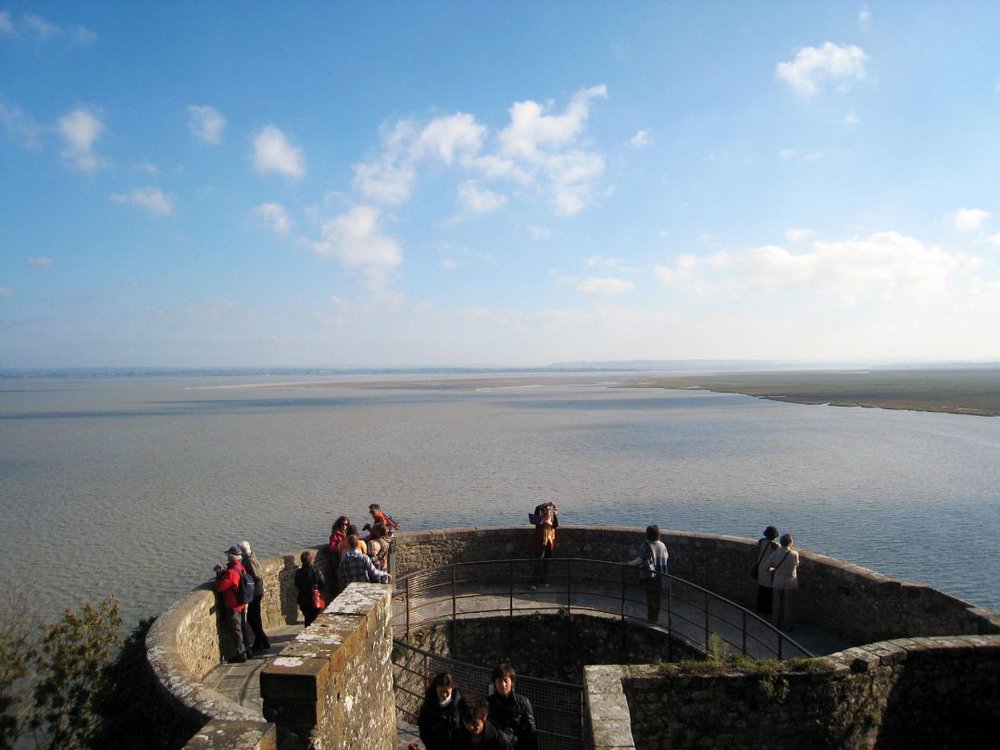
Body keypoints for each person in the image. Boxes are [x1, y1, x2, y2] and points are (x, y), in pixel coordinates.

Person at [214, 545, 256, 663]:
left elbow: (220, 587)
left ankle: (240, 654)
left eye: (228, 555)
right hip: (242, 603)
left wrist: (219, 575)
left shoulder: (231, 572)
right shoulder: (240, 567)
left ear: (231, 557)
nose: (227, 557)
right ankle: (248, 650)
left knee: (236, 630)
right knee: (243, 627)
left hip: (233, 605)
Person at [486, 662, 536, 750]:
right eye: (499, 681)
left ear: (512, 682)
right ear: (495, 683)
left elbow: (531, 732)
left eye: (506, 680)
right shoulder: (487, 703)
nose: (503, 684)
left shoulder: (523, 703)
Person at [628, 525, 669, 622]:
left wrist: (628, 564)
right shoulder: (662, 545)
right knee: (658, 596)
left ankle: (651, 617)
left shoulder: (646, 545)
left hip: (650, 575)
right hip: (661, 574)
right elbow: (666, 558)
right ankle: (656, 616)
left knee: (650, 596)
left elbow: (639, 560)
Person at [239, 540, 270, 654]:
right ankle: (262, 641)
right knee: (254, 617)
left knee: (253, 618)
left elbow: (256, 576)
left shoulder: (250, 560)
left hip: (255, 593)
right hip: (256, 592)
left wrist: (246, 579)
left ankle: (262, 641)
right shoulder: (250, 558)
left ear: (243, 551)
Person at [416, 672, 461, 750]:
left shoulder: (459, 704)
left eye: (447, 692)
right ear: (436, 688)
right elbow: (423, 727)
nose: (444, 695)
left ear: (452, 689)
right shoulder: (428, 705)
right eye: (441, 691)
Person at [767, 533, 800, 630]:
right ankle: (788, 625)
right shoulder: (795, 554)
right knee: (788, 606)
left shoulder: (775, 553)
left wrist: (773, 570)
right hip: (791, 583)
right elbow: (797, 565)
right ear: (790, 543)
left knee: (776, 604)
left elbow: (766, 567)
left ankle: (775, 624)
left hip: (778, 582)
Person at [528, 501, 558, 589]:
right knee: (538, 563)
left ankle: (544, 581)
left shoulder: (551, 519)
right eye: (546, 509)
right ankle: (533, 583)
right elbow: (537, 508)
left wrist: (555, 514)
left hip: (549, 543)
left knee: (546, 563)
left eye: (549, 510)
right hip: (540, 544)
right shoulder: (539, 519)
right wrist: (548, 503)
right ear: (543, 511)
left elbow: (556, 525)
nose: (548, 511)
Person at [294, 549, 327, 628]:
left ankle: (307, 630)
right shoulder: (316, 571)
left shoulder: (299, 572)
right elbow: (323, 583)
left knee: (307, 618)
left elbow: (297, 584)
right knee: (314, 618)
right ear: (311, 561)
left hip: (303, 599)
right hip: (314, 599)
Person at [753, 526, 780, 616]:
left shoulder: (761, 542)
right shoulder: (776, 546)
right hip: (769, 569)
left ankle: (759, 609)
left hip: (760, 567)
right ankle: (767, 611)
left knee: (761, 590)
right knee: (768, 591)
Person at [328, 515, 351, 594]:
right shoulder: (335, 535)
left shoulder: (348, 533)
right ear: (339, 524)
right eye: (342, 524)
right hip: (338, 561)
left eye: (346, 524)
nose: (344, 526)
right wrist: (340, 545)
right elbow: (331, 548)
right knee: (341, 581)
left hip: (347, 560)